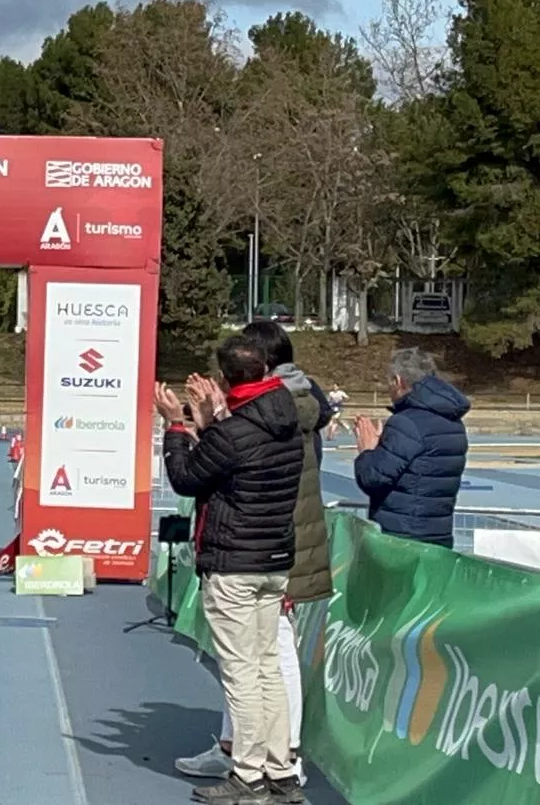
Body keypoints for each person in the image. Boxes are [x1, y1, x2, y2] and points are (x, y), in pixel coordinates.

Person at [176, 320, 331, 790]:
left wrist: (182, 428)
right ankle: (277, 765)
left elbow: (200, 473)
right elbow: (239, 453)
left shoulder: (256, 424)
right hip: (278, 547)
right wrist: (216, 421)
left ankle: (251, 771)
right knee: (265, 662)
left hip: (249, 550)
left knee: (252, 667)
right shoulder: (286, 415)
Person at [353, 347, 469, 548]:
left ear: (398, 381)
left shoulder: (406, 423)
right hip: (438, 535)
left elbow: (372, 478)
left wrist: (367, 451)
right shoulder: (453, 422)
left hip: (402, 539)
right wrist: (385, 447)